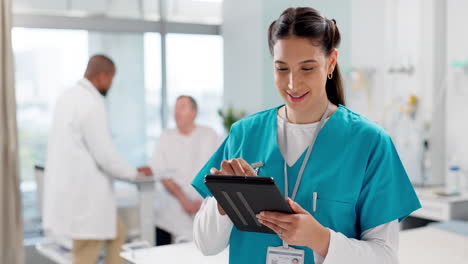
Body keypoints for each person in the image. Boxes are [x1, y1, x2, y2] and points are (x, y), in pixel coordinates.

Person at [191, 7, 421, 264]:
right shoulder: (245, 134)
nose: (292, 83)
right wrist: (225, 203)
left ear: (331, 62)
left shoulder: (369, 143)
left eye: (307, 68)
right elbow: (206, 245)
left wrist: (320, 239)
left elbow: (385, 257)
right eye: (282, 68)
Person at [42, 54, 152, 264]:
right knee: (86, 253)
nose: (110, 84)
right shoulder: (91, 104)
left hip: (72, 193)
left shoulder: (67, 97)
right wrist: (134, 173)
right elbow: (106, 156)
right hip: (85, 201)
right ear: (102, 76)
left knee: (117, 233)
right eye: (111, 79)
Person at [151, 95, 220, 243]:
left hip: (204, 206)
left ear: (194, 112)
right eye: (175, 108)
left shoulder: (209, 135)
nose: (176, 112)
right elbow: (162, 174)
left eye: (182, 107)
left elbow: (218, 170)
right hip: (171, 211)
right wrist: (185, 201)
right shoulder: (166, 137)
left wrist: (204, 200)